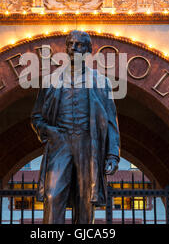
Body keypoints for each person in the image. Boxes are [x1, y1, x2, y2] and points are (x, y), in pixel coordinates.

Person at [31, 30, 120, 224]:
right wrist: (49, 131)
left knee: (86, 200)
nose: (73, 49)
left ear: (88, 50)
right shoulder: (51, 81)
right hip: (60, 143)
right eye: (70, 44)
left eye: (78, 45)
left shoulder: (101, 82)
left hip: (88, 144)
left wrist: (113, 154)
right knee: (52, 195)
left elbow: (111, 120)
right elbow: (36, 116)